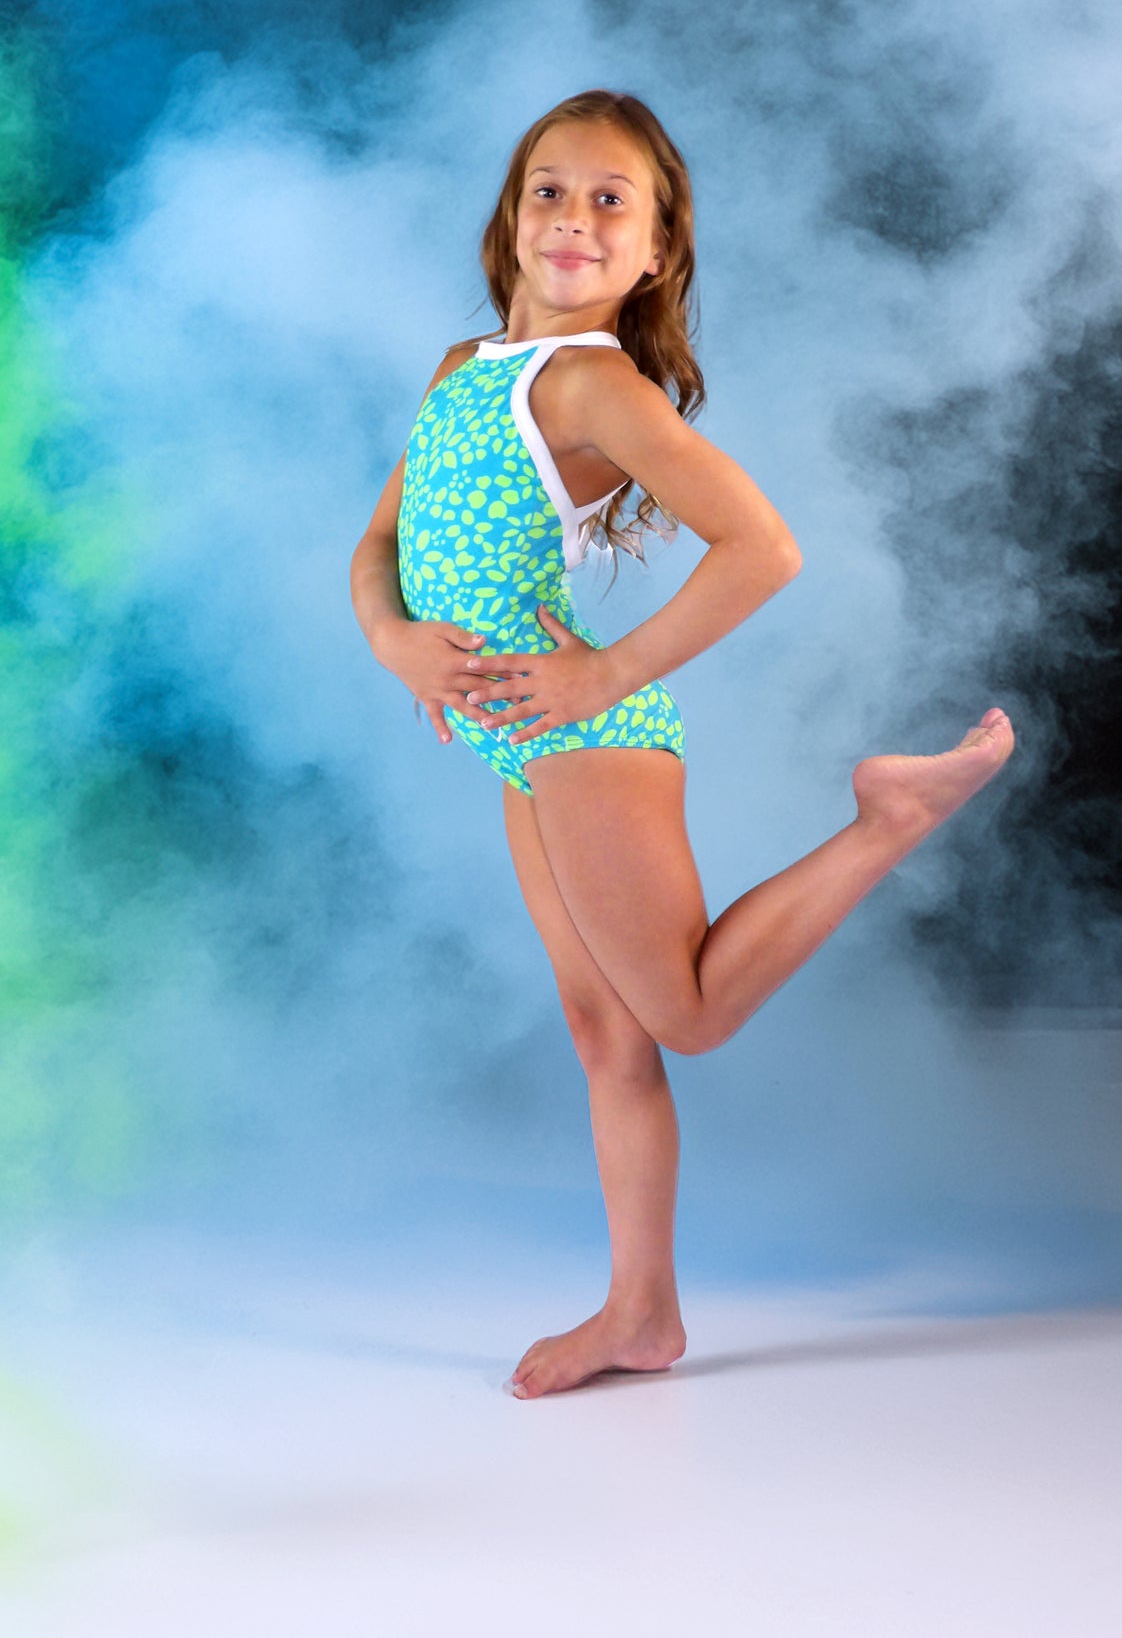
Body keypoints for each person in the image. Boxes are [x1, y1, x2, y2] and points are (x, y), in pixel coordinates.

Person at [349, 89, 1014, 1400]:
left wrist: (600, 672)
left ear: (654, 253)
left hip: (585, 738)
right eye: (550, 188)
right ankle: (640, 1316)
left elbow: (763, 546)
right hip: (518, 745)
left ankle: (885, 821)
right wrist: (392, 639)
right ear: (508, 215)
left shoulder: (592, 384)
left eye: (612, 202)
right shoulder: (461, 369)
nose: (575, 219)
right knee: (607, 1034)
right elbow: (379, 546)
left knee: (688, 1012)